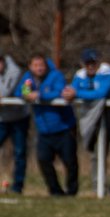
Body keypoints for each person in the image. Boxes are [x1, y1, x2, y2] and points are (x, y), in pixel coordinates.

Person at [61, 48, 110, 197]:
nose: (91, 66)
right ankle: (98, 188)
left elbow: (100, 93)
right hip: (93, 121)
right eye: (87, 63)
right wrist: (70, 93)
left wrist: (77, 93)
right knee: (96, 155)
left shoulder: (107, 72)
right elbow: (71, 91)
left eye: (93, 62)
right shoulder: (80, 75)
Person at [16, 54, 78, 196]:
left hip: (64, 127)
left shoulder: (56, 75)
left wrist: (40, 95)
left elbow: (60, 91)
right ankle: (55, 191)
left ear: (46, 65)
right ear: (30, 66)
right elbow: (20, 91)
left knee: (70, 162)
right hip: (44, 130)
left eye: (41, 65)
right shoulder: (28, 78)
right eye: (35, 65)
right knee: (43, 160)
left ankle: (72, 191)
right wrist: (26, 94)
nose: (39, 68)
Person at [0, 53, 30, 194]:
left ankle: (17, 186)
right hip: (2, 118)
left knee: (19, 152)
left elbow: (5, 92)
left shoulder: (15, 71)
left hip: (19, 118)